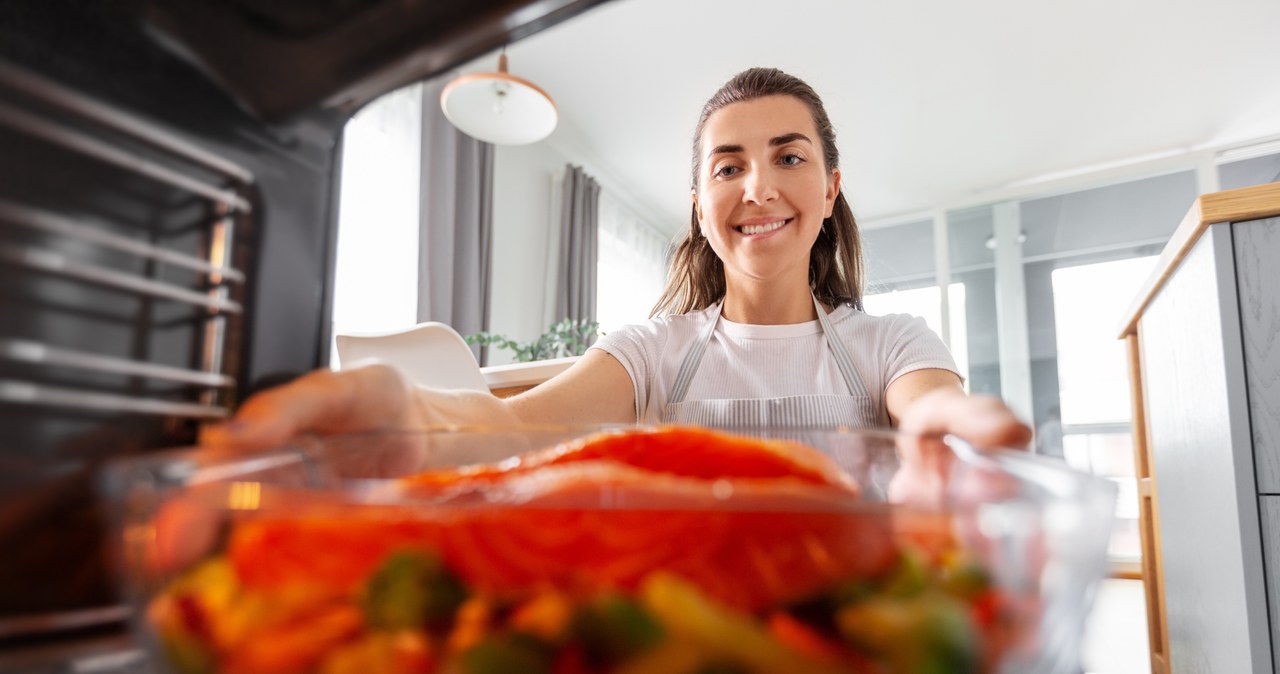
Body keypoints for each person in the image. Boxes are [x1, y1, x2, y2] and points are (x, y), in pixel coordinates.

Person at [200, 67, 1030, 457]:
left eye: (788, 158)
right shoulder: (656, 349)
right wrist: (400, 405)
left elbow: (929, 409)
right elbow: (520, 426)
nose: (758, 188)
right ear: (702, 207)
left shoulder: (890, 342)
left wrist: (960, 430)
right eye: (728, 166)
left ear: (829, 187)